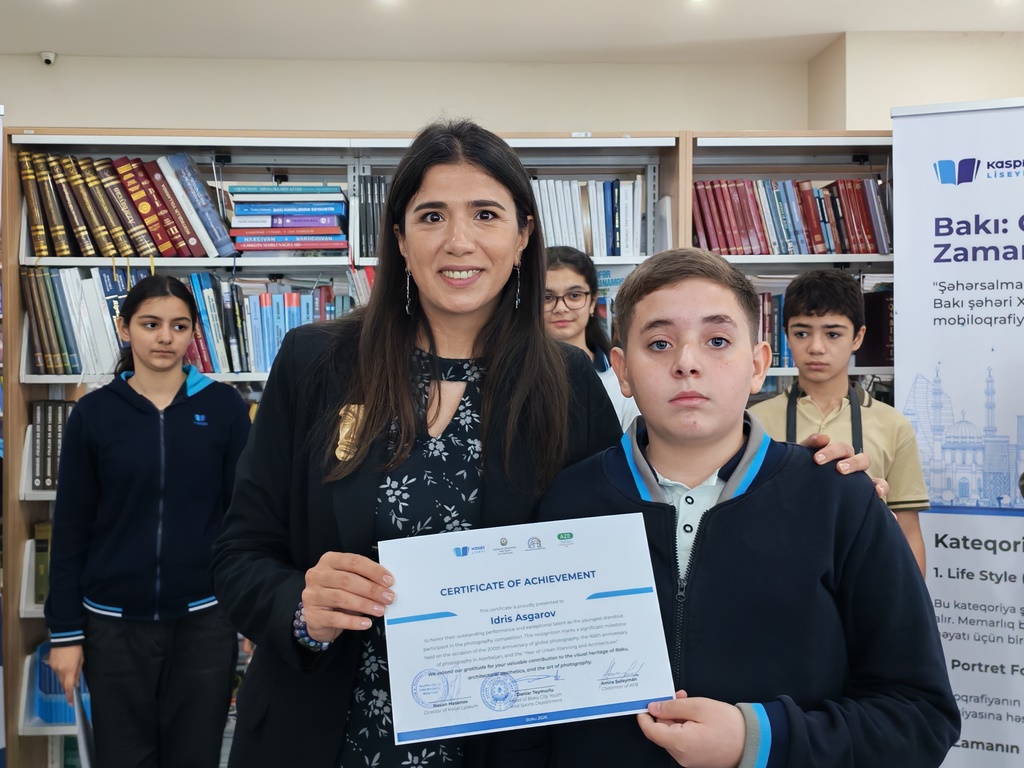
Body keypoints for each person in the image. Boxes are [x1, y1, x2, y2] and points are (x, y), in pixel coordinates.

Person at [211, 120, 870, 768]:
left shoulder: (567, 381)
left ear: (523, 234)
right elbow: (240, 552)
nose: (459, 241)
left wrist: (801, 476)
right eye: (432, 216)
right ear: (400, 238)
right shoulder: (317, 364)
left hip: (503, 745)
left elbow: (641, 527)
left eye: (486, 215)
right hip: (323, 734)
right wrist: (300, 609)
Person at [537, 248, 959, 768]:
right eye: (659, 343)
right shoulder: (568, 502)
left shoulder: (840, 498)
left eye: (717, 341)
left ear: (758, 365)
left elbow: (920, 716)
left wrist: (756, 739)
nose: (687, 362)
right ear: (623, 371)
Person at [45, 274, 252, 768]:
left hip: (205, 620)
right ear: (125, 329)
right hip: (112, 626)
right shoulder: (93, 414)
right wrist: (65, 634)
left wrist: (252, 611)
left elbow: (245, 520)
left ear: (193, 333)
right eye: (150, 324)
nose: (165, 337)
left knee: (195, 756)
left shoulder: (224, 408)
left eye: (179, 326)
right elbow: (70, 528)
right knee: (124, 758)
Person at [749, 269, 928, 574]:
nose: (816, 347)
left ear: (857, 337)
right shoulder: (754, 422)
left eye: (832, 334)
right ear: (786, 335)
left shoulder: (893, 424)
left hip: (867, 578)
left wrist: (912, 600)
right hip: (777, 576)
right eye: (802, 333)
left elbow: (908, 531)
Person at [545, 246, 640, 429]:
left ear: (592, 302)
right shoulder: (514, 378)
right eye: (547, 297)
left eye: (574, 295)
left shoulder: (621, 381)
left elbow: (631, 444)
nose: (561, 308)